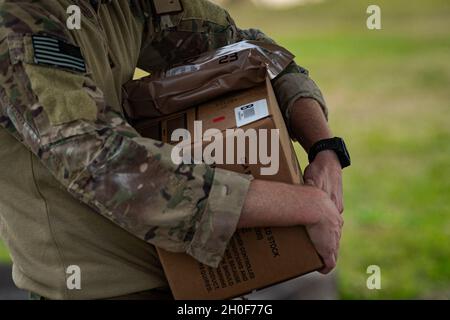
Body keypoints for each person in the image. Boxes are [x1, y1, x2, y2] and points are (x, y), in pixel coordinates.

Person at [0, 0, 348, 300]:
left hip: (190, 273)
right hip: (99, 289)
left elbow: (251, 52)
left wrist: (324, 148)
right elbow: (103, 164)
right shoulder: (18, 23)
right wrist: (301, 206)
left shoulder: (120, 5)